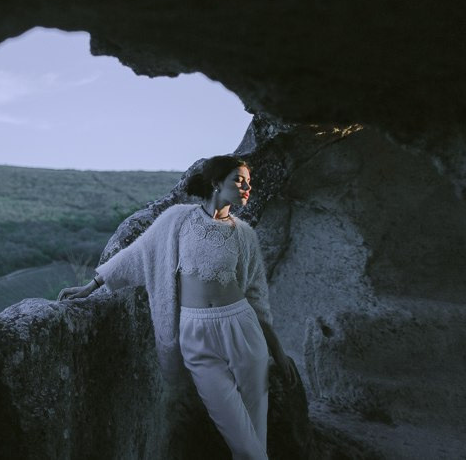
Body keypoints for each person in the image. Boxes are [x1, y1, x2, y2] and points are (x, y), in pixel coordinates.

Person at [58, 155, 297, 460]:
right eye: (239, 179)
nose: (247, 186)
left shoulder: (244, 233)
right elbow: (137, 254)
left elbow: (256, 295)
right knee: (238, 433)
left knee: (255, 428)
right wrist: (92, 285)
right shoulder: (177, 220)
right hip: (195, 333)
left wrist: (275, 348)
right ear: (215, 183)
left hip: (242, 328)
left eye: (249, 181)